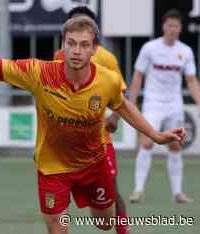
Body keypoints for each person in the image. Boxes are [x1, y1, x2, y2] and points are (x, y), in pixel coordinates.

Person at [0, 14, 186, 233]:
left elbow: (122, 105)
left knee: (105, 223)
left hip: (93, 165)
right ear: (63, 45)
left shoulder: (107, 80)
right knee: (57, 227)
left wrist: (154, 134)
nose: (76, 51)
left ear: (94, 49)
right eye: (71, 43)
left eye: (84, 45)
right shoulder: (39, 73)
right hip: (53, 169)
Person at [54, 6, 129, 234]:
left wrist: (115, 116)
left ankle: (123, 230)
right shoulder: (59, 56)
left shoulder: (106, 57)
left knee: (113, 192)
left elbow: (120, 93)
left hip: (99, 141)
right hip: (66, 146)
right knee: (57, 198)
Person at [129, 9, 200, 204]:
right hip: (153, 103)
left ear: (180, 28)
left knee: (176, 145)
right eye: (170, 25)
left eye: (176, 26)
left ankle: (177, 193)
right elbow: (138, 75)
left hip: (174, 105)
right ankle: (138, 190)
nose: (173, 29)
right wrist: (132, 103)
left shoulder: (185, 51)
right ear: (163, 26)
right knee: (147, 142)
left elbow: (192, 80)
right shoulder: (150, 48)